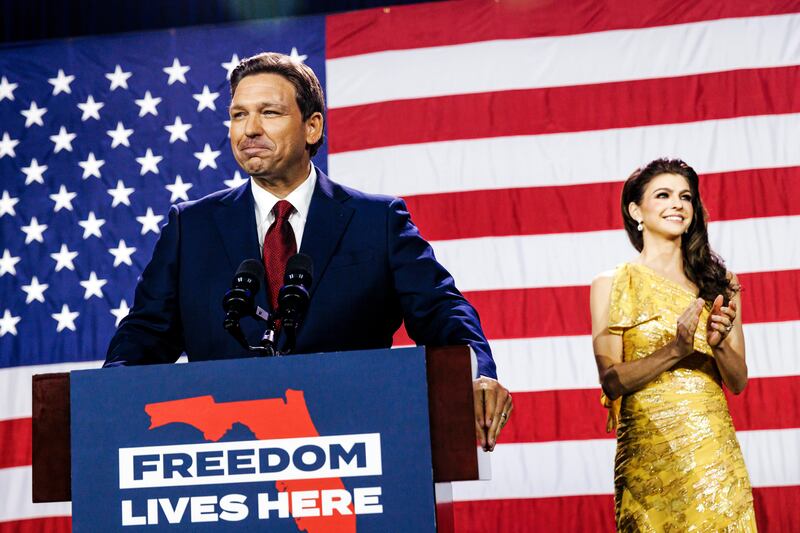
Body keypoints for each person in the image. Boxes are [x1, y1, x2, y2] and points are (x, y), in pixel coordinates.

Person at [104, 52, 512, 451]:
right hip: (227, 453)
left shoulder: (377, 221)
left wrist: (473, 372)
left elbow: (441, 310)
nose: (249, 130)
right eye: (238, 115)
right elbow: (145, 335)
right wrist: (103, 401)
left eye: (270, 113)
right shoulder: (190, 227)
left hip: (355, 446)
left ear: (312, 127)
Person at [590, 158, 756, 530]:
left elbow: (739, 381)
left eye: (685, 197)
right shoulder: (611, 283)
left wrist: (719, 345)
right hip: (650, 457)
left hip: (713, 456)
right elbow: (612, 381)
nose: (677, 204)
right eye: (663, 195)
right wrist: (675, 350)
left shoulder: (722, 282)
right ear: (636, 210)